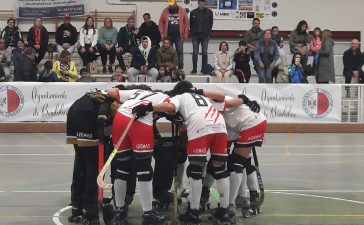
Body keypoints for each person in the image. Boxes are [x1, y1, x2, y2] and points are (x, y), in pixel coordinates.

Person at [132, 81, 231, 225]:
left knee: (195, 169)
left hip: (200, 125)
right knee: (220, 169)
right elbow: (222, 97)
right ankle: (224, 211)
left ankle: (194, 212)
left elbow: (170, 106)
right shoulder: (203, 97)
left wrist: (150, 107)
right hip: (220, 125)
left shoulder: (181, 96)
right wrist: (199, 90)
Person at [111, 88, 167, 225]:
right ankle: (148, 213)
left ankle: (119, 209)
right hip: (140, 122)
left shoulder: (137, 91)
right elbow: (169, 106)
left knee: (122, 168)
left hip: (119, 118)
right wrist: (150, 107)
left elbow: (112, 92)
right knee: (144, 170)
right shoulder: (163, 95)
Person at [66, 89, 121, 225]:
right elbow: (106, 113)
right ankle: (90, 210)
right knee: (94, 166)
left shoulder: (104, 93)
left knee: (80, 162)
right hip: (87, 116)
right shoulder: (119, 102)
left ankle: (76, 207)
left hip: (74, 111)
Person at [159, 0, 189, 69]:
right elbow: (161, 22)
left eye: (171, 4)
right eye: (169, 4)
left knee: (180, 51)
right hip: (168, 36)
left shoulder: (182, 10)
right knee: (169, 53)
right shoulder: (165, 11)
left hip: (179, 36)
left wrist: (186, 33)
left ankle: (180, 68)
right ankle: (171, 68)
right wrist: (162, 34)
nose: (170, 6)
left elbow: (187, 23)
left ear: (175, 3)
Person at [189, 0, 213, 74]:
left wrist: (208, 32)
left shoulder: (209, 12)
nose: (202, 5)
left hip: (205, 36)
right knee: (195, 52)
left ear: (205, 4)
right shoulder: (193, 12)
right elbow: (191, 24)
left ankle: (204, 69)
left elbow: (211, 23)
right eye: (200, 4)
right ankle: (194, 69)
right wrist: (193, 32)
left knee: (204, 53)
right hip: (195, 36)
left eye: (203, 4)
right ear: (198, 3)